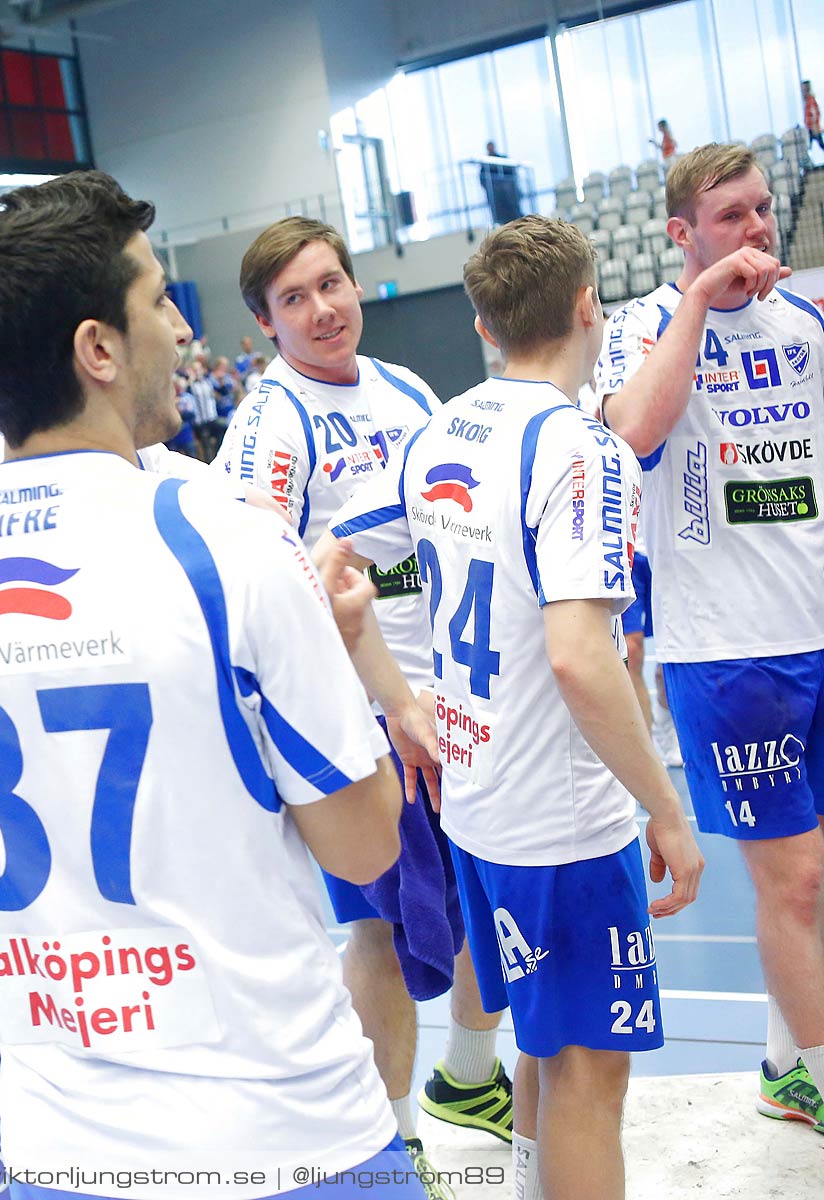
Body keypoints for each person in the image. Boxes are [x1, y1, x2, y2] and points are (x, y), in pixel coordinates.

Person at [0, 168, 421, 1200]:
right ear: (98, 349)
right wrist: (343, 658)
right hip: (282, 1136)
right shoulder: (227, 546)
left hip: (58, 1150)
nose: (180, 330)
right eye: (160, 298)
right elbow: (366, 843)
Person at [334, 214, 706, 1200]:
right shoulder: (577, 448)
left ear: (483, 321)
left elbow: (332, 569)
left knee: (545, 1050)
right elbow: (583, 661)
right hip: (564, 819)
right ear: (590, 308)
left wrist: (399, 699)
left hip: (481, 805)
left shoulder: (438, 431)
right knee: (589, 1072)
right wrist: (664, 810)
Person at [213, 216, 510, 1174]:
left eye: (331, 284)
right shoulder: (270, 420)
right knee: (380, 928)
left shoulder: (407, 389)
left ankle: (468, 1073)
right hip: (356, 718)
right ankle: (391, 1135)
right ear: (266, 324)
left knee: (481, 889)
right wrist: (378, 699)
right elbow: (271, 580)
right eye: (294, 299)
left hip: (453, 692)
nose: (323, 309)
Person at [592, 142, 824, 1132]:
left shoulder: (807, 318)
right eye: (731, 217)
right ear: (683, 235)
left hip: (816, 628)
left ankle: (781, 1062)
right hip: (729, 653)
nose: (758, 232)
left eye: (764, 212)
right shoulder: (639, 327)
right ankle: (815, 1074)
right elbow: (634, 434)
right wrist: (698, 304)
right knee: (798, 880)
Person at [479, 140, 523, 225]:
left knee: (513, 212)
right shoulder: (485, 164)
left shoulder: (502, 159)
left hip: (508, 195)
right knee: (501, 216)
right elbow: (483, 180)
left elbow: (511, 173)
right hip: (496, 197)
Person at [806, 80, 822, 159]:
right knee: (809, 145)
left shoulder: (811, 101)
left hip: (813, 127)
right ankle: (808, 159)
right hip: (811, 127)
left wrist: (814, 125)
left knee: (819, 144)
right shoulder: (808, 101)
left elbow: (814, 114)